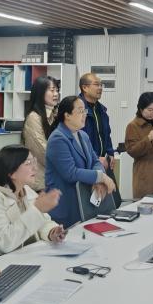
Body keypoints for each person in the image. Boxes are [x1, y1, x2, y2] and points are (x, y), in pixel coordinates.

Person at [0, 145, 65, 257]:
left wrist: (51, 232)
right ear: (11, 172)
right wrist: (37, 209)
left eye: (33, 161)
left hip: (22, 257)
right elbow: (5, 242)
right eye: (28, 163)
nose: (35, 168)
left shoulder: (26, 190)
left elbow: (42, 223)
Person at [45, 96, 116, 227]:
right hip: (65, 205)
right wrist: (100, 177)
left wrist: (98, 178)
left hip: (83, 202)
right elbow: (70, 173)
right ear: (67, 115)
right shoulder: (57, 139)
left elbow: (95, 161)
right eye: (80, 111)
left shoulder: (83, 135)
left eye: (85, 111)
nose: (84, 115)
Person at [23, 76, 60, 191]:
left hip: (52, 177)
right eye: (52, 90)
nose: (56, 94)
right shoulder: (33, 117)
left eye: (57, 90)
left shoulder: (53, 114)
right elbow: (42, 150)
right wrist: (65, 164)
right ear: (40, 92)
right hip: (39, 181)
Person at [78, 72, 115, 171]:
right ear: (85, 88)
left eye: (101, 85)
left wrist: (110, 152)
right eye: (96, 84)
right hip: (85, 163)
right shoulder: (77, 109)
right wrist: (95, 158)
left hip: (102, 161)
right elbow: (78, 140)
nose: (100, 88)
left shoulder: (101, 110)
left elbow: (106, 134)